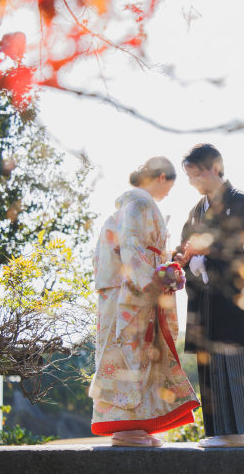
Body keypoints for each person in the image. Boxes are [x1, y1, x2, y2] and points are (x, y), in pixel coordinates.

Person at [90, 157, 200, 447]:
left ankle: (136, 425)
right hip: (130, 291)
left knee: (136, 353)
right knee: (128, 352)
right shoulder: (139, 203)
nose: (167, 194)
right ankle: (124, 428)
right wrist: (154, 279)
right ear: (161, 176)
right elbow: (132, 248)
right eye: (169, 187)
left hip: (126, 289)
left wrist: (167, 267)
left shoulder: (132, 205)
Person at [176, 143, 244, 447]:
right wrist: (180, 259)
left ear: (215, 168)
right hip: (207, 300)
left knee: (236, 361)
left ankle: (237, 435)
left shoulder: (241, 203)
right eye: (190, 178)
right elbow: (184, 247)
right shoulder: (196, 211)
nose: (194, 182)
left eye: (197, 175)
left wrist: (207, 252)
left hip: (235, 299)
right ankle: (221, 434)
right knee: (211, 365)